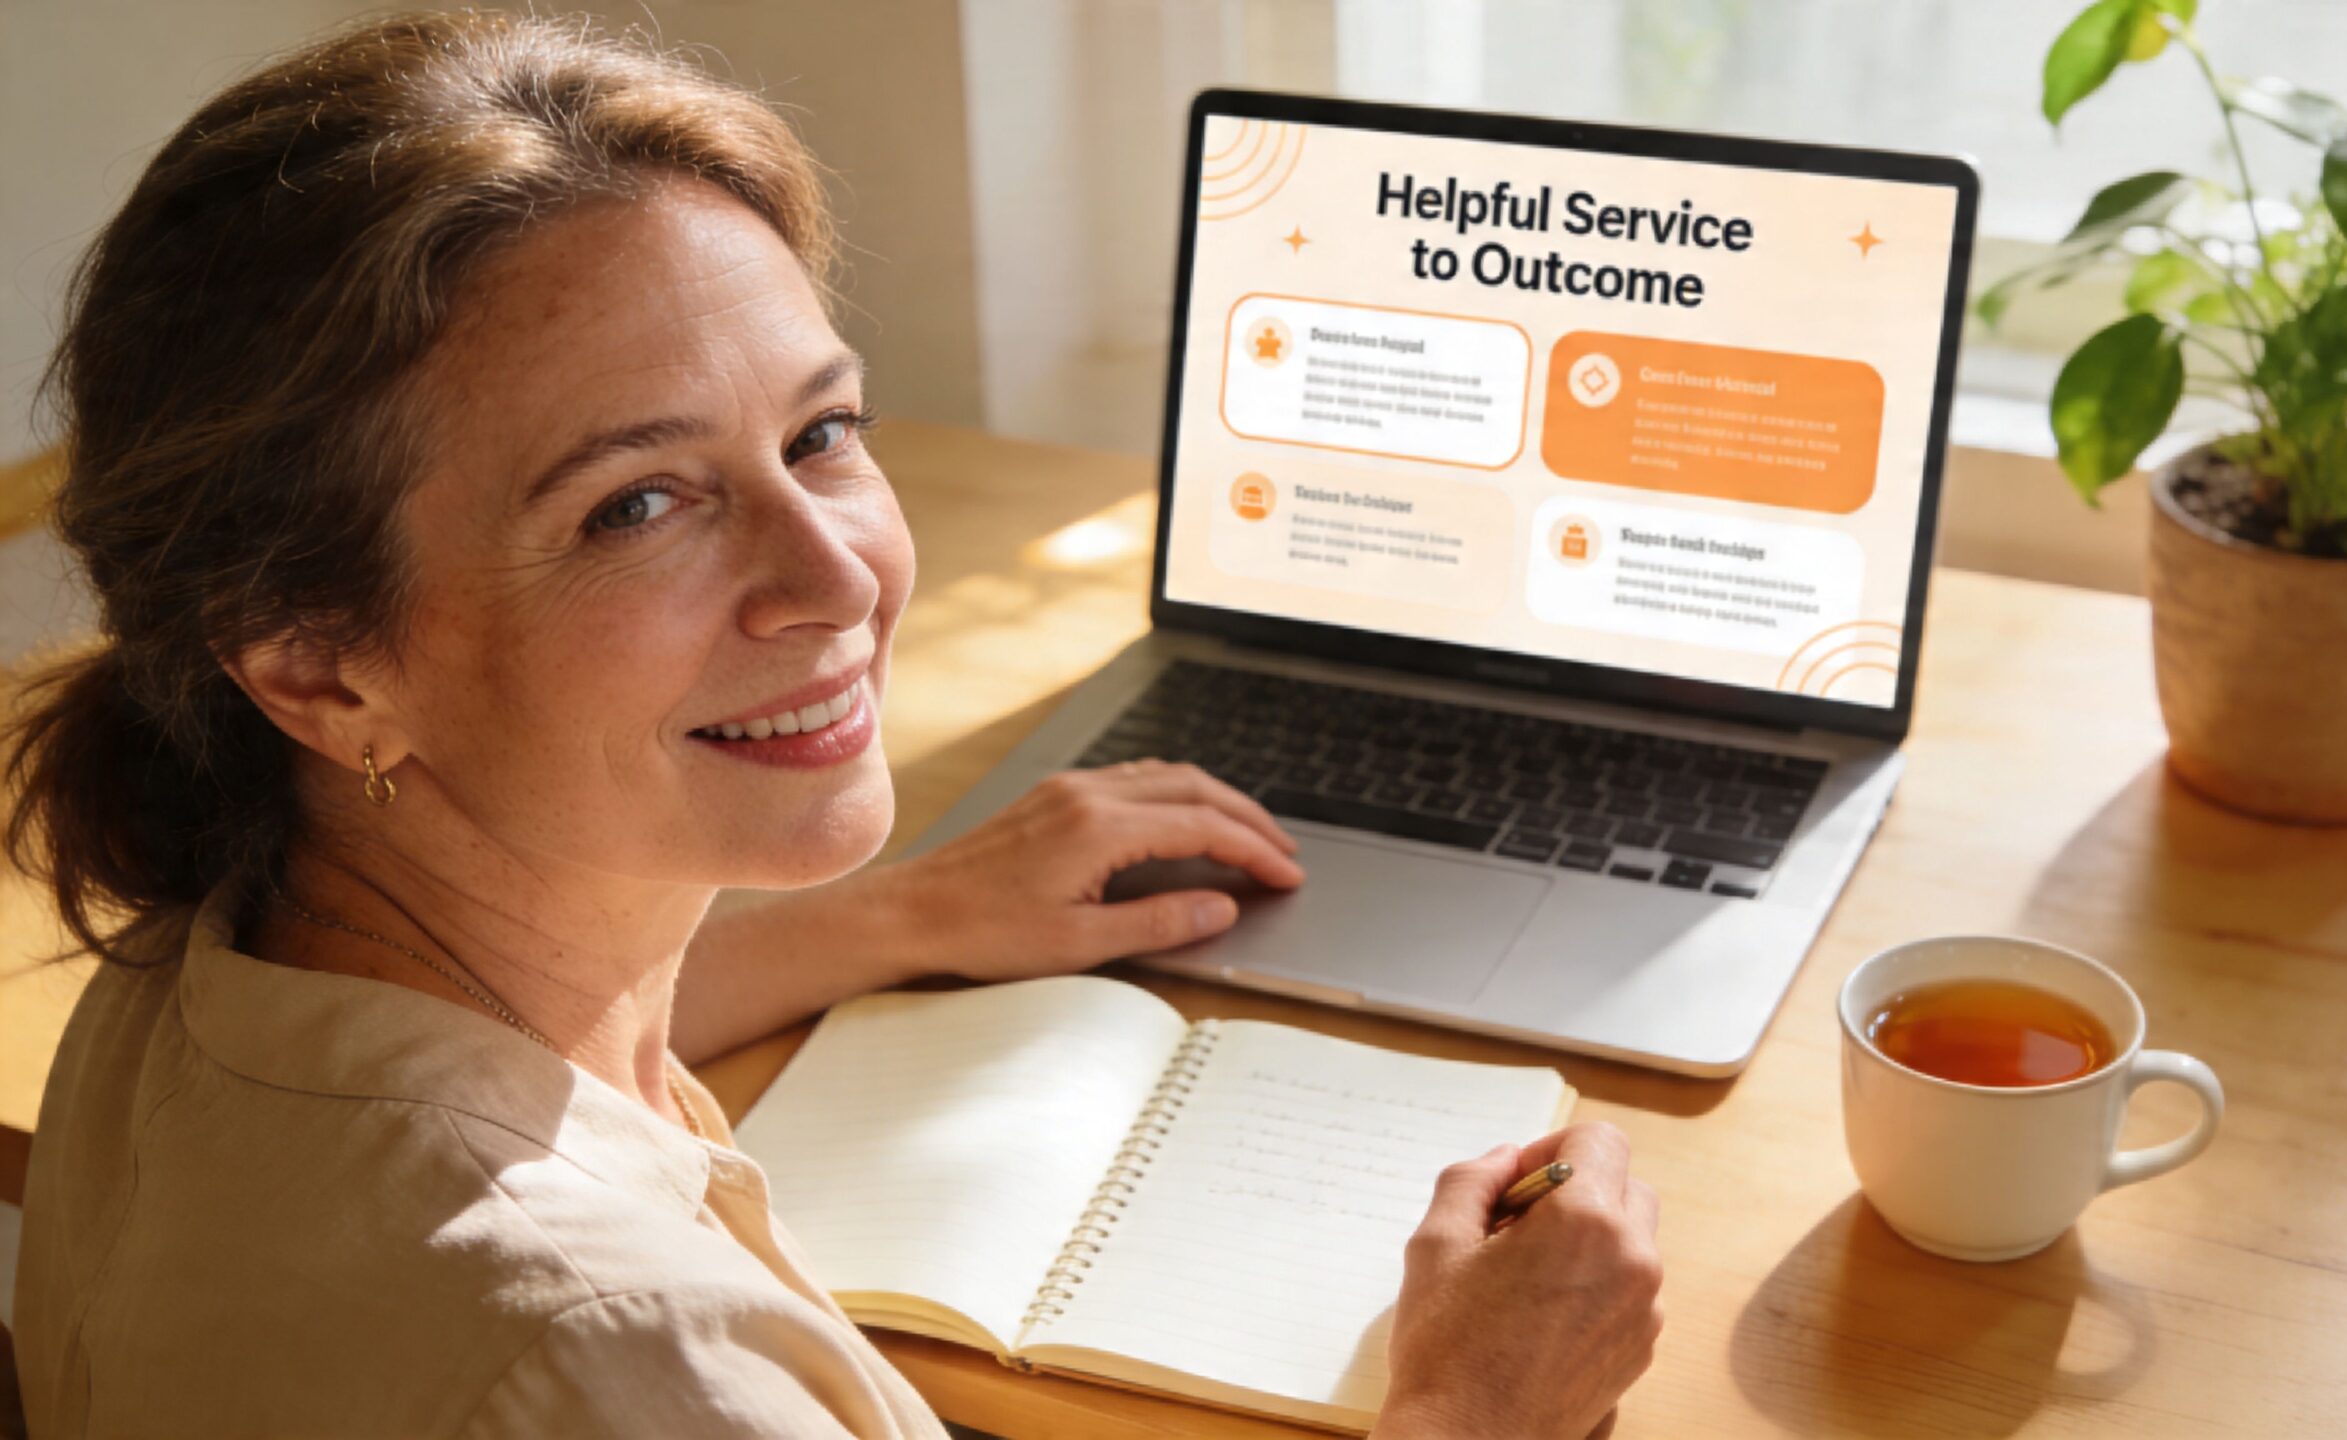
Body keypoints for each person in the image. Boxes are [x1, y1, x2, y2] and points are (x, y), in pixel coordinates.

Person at [1, 11, 1662, 1438]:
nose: (836, 576)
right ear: (314, 667)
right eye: (635, 504)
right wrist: (1472, 1410)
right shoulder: (610, 1360)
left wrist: (902, 917)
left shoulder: (195, 979)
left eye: (821, 433)